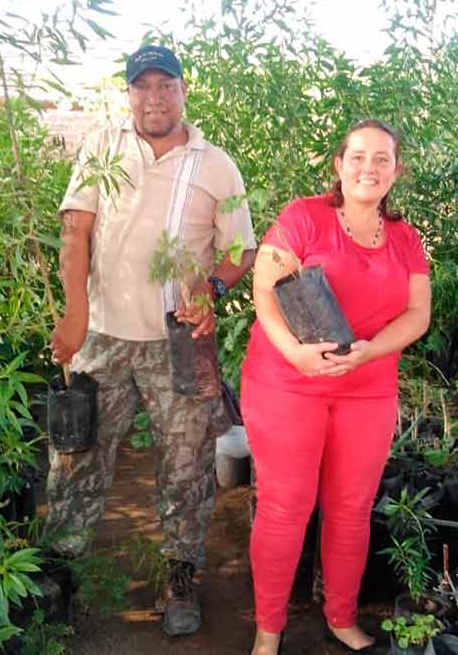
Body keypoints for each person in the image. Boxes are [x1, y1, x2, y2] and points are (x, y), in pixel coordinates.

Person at [47, 44, 257, 637]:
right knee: (77, 452)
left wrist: (212, 288)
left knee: (186, 464)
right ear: (129, 93)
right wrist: (75, 311)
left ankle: (180, 573)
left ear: (184, 91)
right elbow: (76, 228)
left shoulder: (216, 164)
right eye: (144, 87)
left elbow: (240, 249)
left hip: (181, 340)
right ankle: (60, 570)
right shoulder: (103, 146)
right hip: (106, 335)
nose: (155, 98)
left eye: (167, 86)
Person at [241, 119, 431, 654]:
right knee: (286, 506)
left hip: (366, 387)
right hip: (288, 382)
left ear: (397, 171)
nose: (368, 168)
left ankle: (341, 617)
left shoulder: (405, 238)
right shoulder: (305, 218)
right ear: (338, 165)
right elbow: (266, 289)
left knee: (351, 507)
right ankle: (268, 629)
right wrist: (296, 354)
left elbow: (418, 315)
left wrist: (371, 350)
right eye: (358, 157)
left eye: (381, 159)